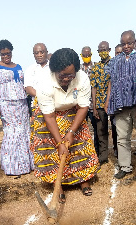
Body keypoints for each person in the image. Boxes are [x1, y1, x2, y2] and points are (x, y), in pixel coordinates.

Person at [33, 48, 100, 202]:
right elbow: (49, 115)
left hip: (73, 110)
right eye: (62, 75)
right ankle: (58, 185)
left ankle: (83, 180)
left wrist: (70, 133)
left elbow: (83, 107)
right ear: (54, 71)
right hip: (49, 114)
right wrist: (59, 142)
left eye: (71, 75)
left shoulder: (82, 78)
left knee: (80, 144)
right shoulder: (44, 82)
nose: (67, 79)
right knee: (49, 148)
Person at [105, 30, 136, 181]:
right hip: (121, 105)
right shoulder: (115, 60)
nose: (126, 46)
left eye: (129, 43)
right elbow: (111, 82)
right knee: (122, 138)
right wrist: (108, 101)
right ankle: (125, 167)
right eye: (123, 44)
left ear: (135, 42)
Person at [0, 39, 34, 178]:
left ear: (11, 52)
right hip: (6, 104)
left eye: (8, 53)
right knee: (12, 132)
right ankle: (12, 166)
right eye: (3, 54)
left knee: (24, 131)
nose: (5, 56)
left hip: (21, 103)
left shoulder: (18, 66)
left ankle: (26, 164)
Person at [90, 41, 111, 164]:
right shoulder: (96, 67)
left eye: (104, 49)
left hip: (114, 103)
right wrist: (94, 106)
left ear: (109, 49)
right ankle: (103, 156)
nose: (103, 52)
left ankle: (118, 154)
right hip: (99, 104)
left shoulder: (114, 63)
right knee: (100, 131)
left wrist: (108, 101)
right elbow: (94, 87)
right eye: (100, 50)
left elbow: (112, 84)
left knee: (117, 131)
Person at [80, 46, 99, 154]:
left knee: (96, 129)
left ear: (91, 55)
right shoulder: (78, 68)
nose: (86, 57)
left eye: (88, 55)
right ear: (81, 55)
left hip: (92, 104)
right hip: (82, 104)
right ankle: (84, 150)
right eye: (84, 55)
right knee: (82, 128)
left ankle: (96, 150)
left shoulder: (95, 67)